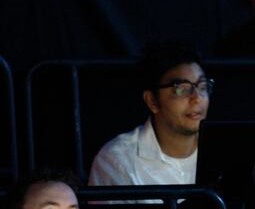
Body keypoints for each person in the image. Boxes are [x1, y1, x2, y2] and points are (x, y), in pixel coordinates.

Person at [88, 41, 212, 187]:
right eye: (182, 89)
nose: (197, 98)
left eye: (202, 87)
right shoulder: (118, 161)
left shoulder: (227, 153)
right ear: (152, 101)